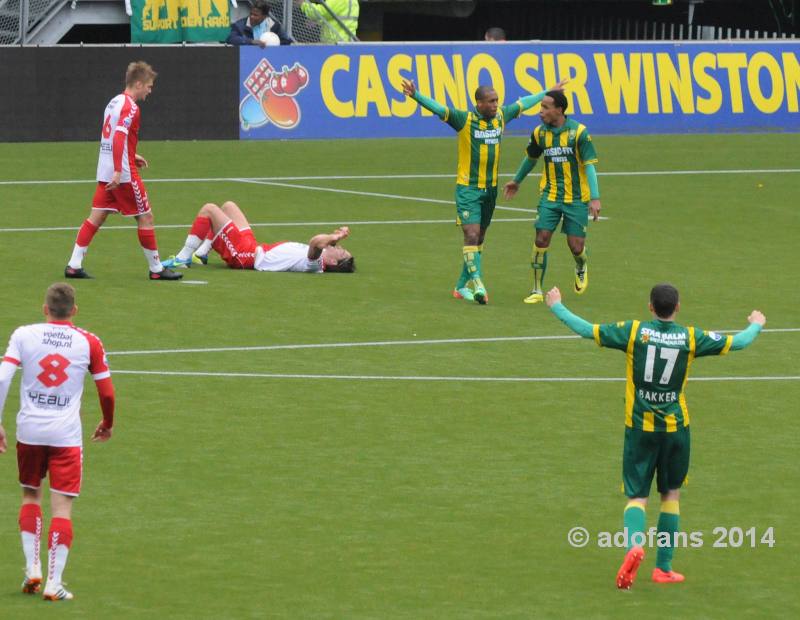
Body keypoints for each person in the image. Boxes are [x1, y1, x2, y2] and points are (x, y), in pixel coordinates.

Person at [544, 283, 766, 590]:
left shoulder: (634, 332)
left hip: (639, 430)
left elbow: (587, 330)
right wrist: (756, 324)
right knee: (671, 495)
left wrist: (556, 305)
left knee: (637, 496)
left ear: (650, 306)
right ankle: (663, 568)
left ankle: (634, 546)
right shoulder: (690, 337)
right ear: (678, 307)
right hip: (676, 430)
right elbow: (737, 343)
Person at [401, 77, 567, 304]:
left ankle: (460, 286)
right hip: (468, 189)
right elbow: (440, 109)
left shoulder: (501, 116)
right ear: (478, 103)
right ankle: (478, 284)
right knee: (470, 234)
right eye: (490, 101)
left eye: (497, 100)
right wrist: (415, 95)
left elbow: (524, 103)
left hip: (490, 191)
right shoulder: (464, 120)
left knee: (479, 237)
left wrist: (548, 92)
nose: (495, 104)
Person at [0, 283, 115, 601]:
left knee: (30, 496)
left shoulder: (23, 334)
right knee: (61, 508)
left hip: (30, 432)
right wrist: (107, 423)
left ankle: (32, 568)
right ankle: (54, 583)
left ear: (44, 308)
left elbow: (2, 377)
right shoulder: (88, 341)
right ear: (74, 310)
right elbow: (106, 391)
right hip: (65, 435)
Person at [64, 61, 182, 281]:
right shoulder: (130, 106)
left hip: (105, 169)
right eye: (148, 85)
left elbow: (112, 137)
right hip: (123, 175)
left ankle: (73, 265)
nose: (150, 90)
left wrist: (130, 155)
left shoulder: (114, 102)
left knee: (96, 216)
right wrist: (120, 169)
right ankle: (156, 269)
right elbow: (118, 136)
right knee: (146, 217)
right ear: (138, 83)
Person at [503, 90, 600, 304]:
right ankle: (536, 289)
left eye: (546, 107)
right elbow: (531, 158)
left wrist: (595, 198)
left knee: (575, 246)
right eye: (541, 107)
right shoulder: (539, 133)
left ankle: (581, 263)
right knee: (541, 238)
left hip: (576, 198)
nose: (541, 112)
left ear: (559, 109)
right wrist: (516, 180)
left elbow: (590, 167)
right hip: (550, 196)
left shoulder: (579, 133)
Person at [161, 201, 355, 273]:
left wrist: (335, 236)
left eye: (340, 252)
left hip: (246, 256)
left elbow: (316, 242)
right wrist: (335, 237)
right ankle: (201, 254)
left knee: (210, 209)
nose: (337, 248)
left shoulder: (315, 264)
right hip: (253, 247)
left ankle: (183, 258)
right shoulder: (320, 258)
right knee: (229, 207)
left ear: (332, 263)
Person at [227, 0, 293, 46]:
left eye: (255, 15)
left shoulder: (274, 25)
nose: (251, 17)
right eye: (251, 14)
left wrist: (273, 43)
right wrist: (251, 42)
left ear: (264, 16)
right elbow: (231, 38)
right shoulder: (240, 25)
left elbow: (286, 40)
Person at [293, 0, 359, 43]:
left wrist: (303, 4)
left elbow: (321, 12)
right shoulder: (353, 1)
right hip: (345, 41)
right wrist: (319, 21)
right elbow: (333, 15)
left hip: (335, 42)